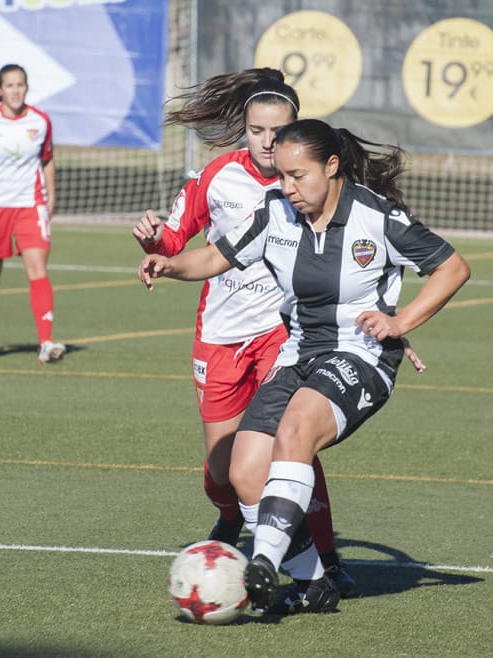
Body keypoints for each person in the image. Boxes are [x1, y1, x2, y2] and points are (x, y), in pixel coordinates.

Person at [138, 118, 470, 614]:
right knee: (245, 472)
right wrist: (170, 265)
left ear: (331, 166)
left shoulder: (375, 216)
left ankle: (263, 564)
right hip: (297, 354)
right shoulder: (275, 211)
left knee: (295, 429)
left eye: (298, 176)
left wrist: (400, 322)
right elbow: (214, 258)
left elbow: (453, 267)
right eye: (283, 176)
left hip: (360, 355)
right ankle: (315, 583)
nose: (288, 187)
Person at [134, 68, 381, 598]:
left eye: (278, 131)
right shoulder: (218, 176)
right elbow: (176, 240)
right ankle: (232, 518)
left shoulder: (315, 185)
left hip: (285, 338)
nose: (268, 142)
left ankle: (325, 563)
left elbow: (362, 266)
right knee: (222, 471)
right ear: (243, 130)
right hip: (221, 335)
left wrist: (390, 322)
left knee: (295, 445)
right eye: (256, 131)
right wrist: (155, 243)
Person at [0, 63, 66, 365]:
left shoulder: (40, 121)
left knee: (37, 268)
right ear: (0, 90)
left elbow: (48, 160)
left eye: (20, 85)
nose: (16, 91)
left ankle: (46, 342)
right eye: (10, 86)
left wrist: (51, 198)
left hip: (30, 205)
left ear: (26, 88)